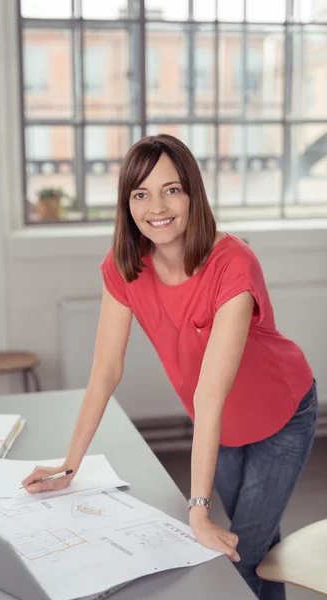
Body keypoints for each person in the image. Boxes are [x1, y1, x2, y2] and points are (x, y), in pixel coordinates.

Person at [22, 134, 317, 600]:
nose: (156, 206)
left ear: (192, 194)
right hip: (219, 428)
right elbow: (105, 372)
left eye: (171, 189)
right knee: (258, 545)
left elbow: (209, 394)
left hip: (281, 415)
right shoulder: (124, 266)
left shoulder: (233, 265)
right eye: (141, 193)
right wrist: (68, 466)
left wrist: (197, 510)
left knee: (240, 558)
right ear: (127, 203)